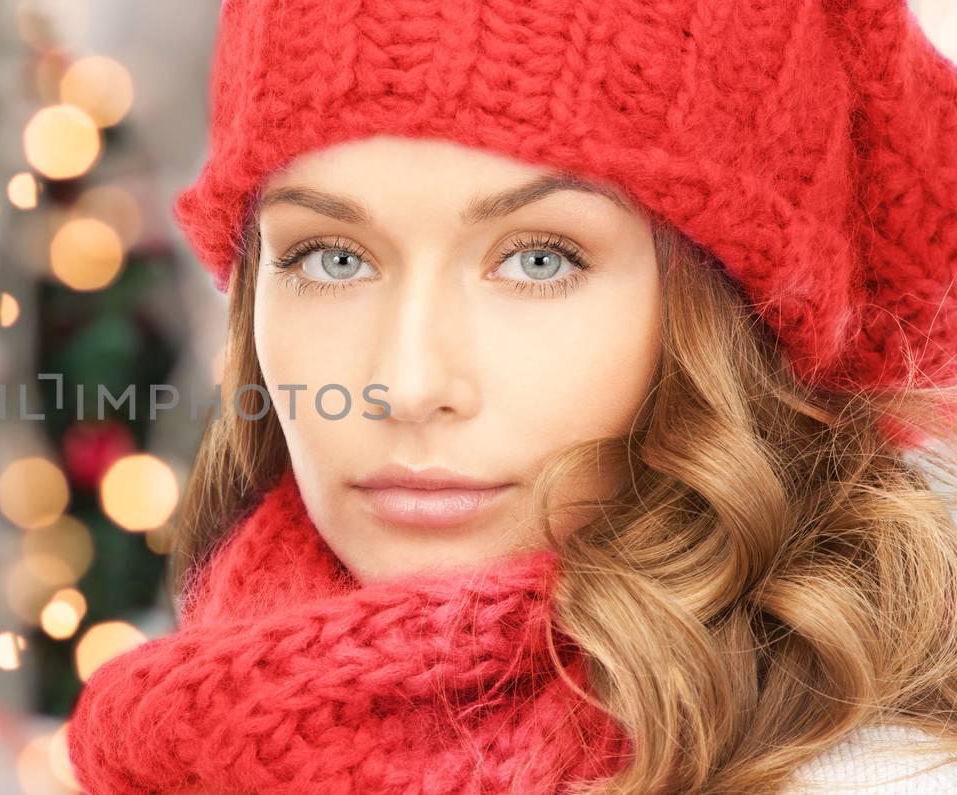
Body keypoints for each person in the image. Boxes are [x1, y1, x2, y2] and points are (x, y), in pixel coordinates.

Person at [68, 0, 957, 792]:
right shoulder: (191, 734)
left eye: (540, 259)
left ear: (735, 313)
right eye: (332, 257)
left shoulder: (880, 773)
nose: (406, 385)